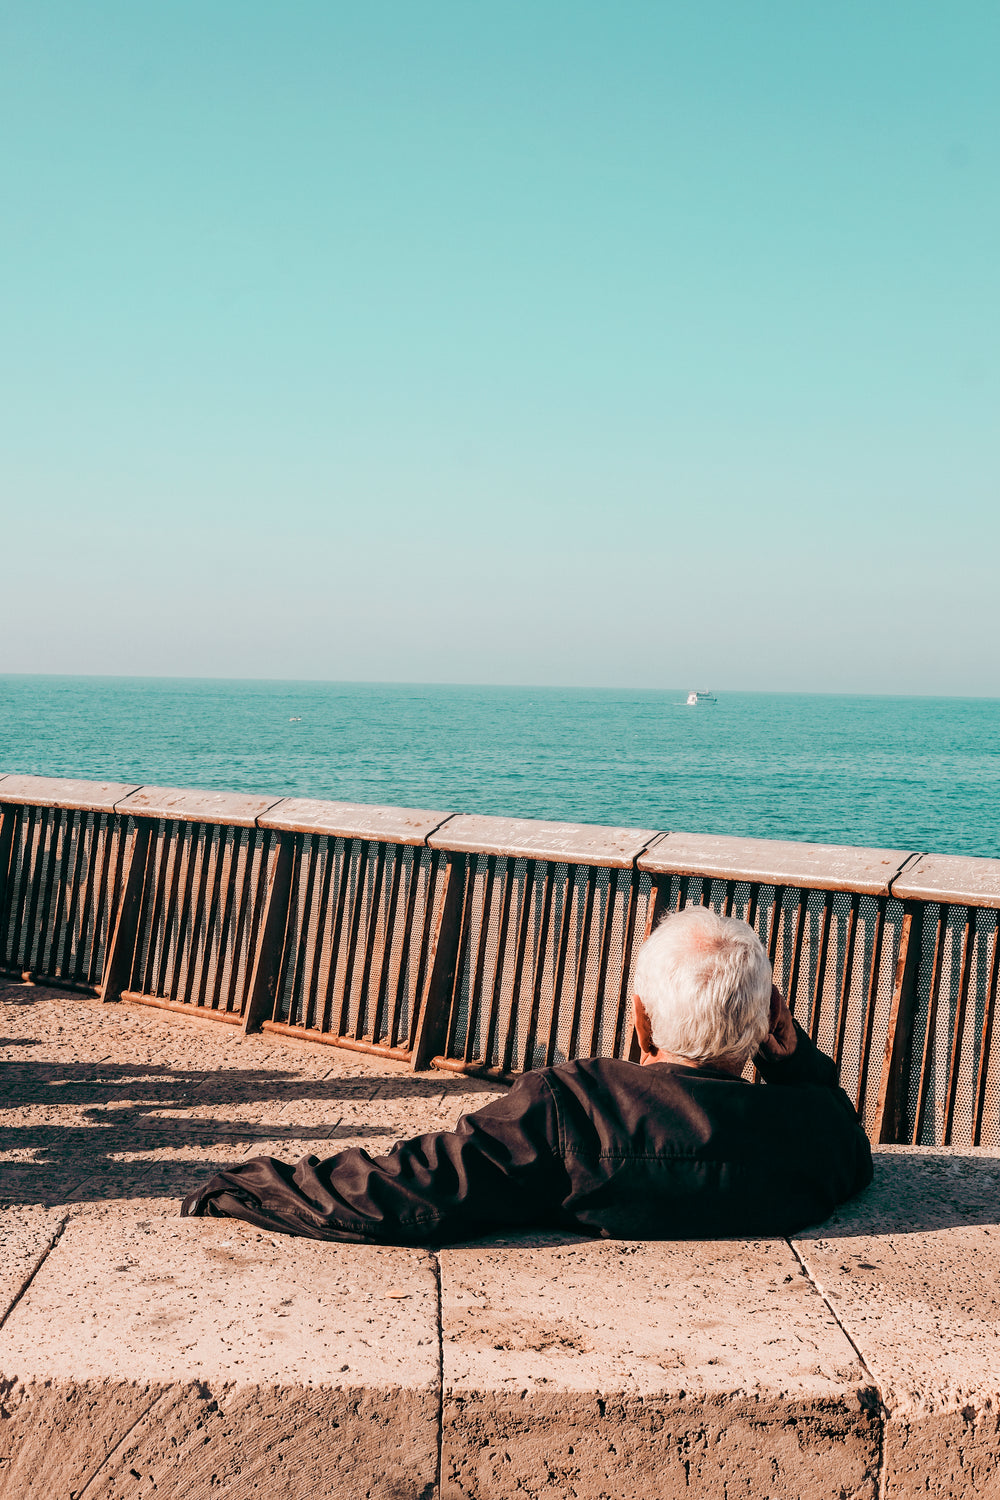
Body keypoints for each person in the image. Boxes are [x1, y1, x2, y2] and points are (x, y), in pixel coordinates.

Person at [181, 905, 872, 1241]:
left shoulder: (571, 1106)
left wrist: (243, 1186)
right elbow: (848, 1145)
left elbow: (406, 1193)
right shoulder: (816, 1129)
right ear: (772, 1021)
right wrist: (797, 1065)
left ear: (640, 1018)